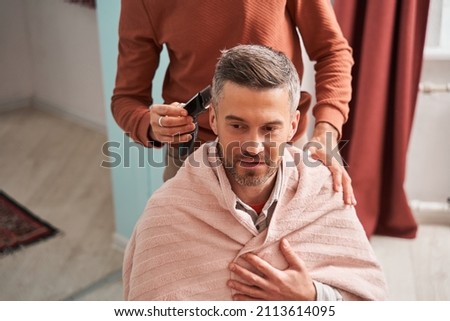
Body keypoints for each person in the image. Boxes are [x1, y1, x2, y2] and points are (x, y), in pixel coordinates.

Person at [123, 45, 387, 301]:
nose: (253, 146)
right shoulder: (166, 212)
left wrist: (314, 297)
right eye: (238, 125)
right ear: (213, 119)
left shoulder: (326, 193)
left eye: (270, 128)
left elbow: (369, 300)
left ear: (293, 126)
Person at [112, 0, 356, 205]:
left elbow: (332, 51)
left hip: (280, 144)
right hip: (194, 152)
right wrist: (153, 126)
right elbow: (126, 99)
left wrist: (327, 131)